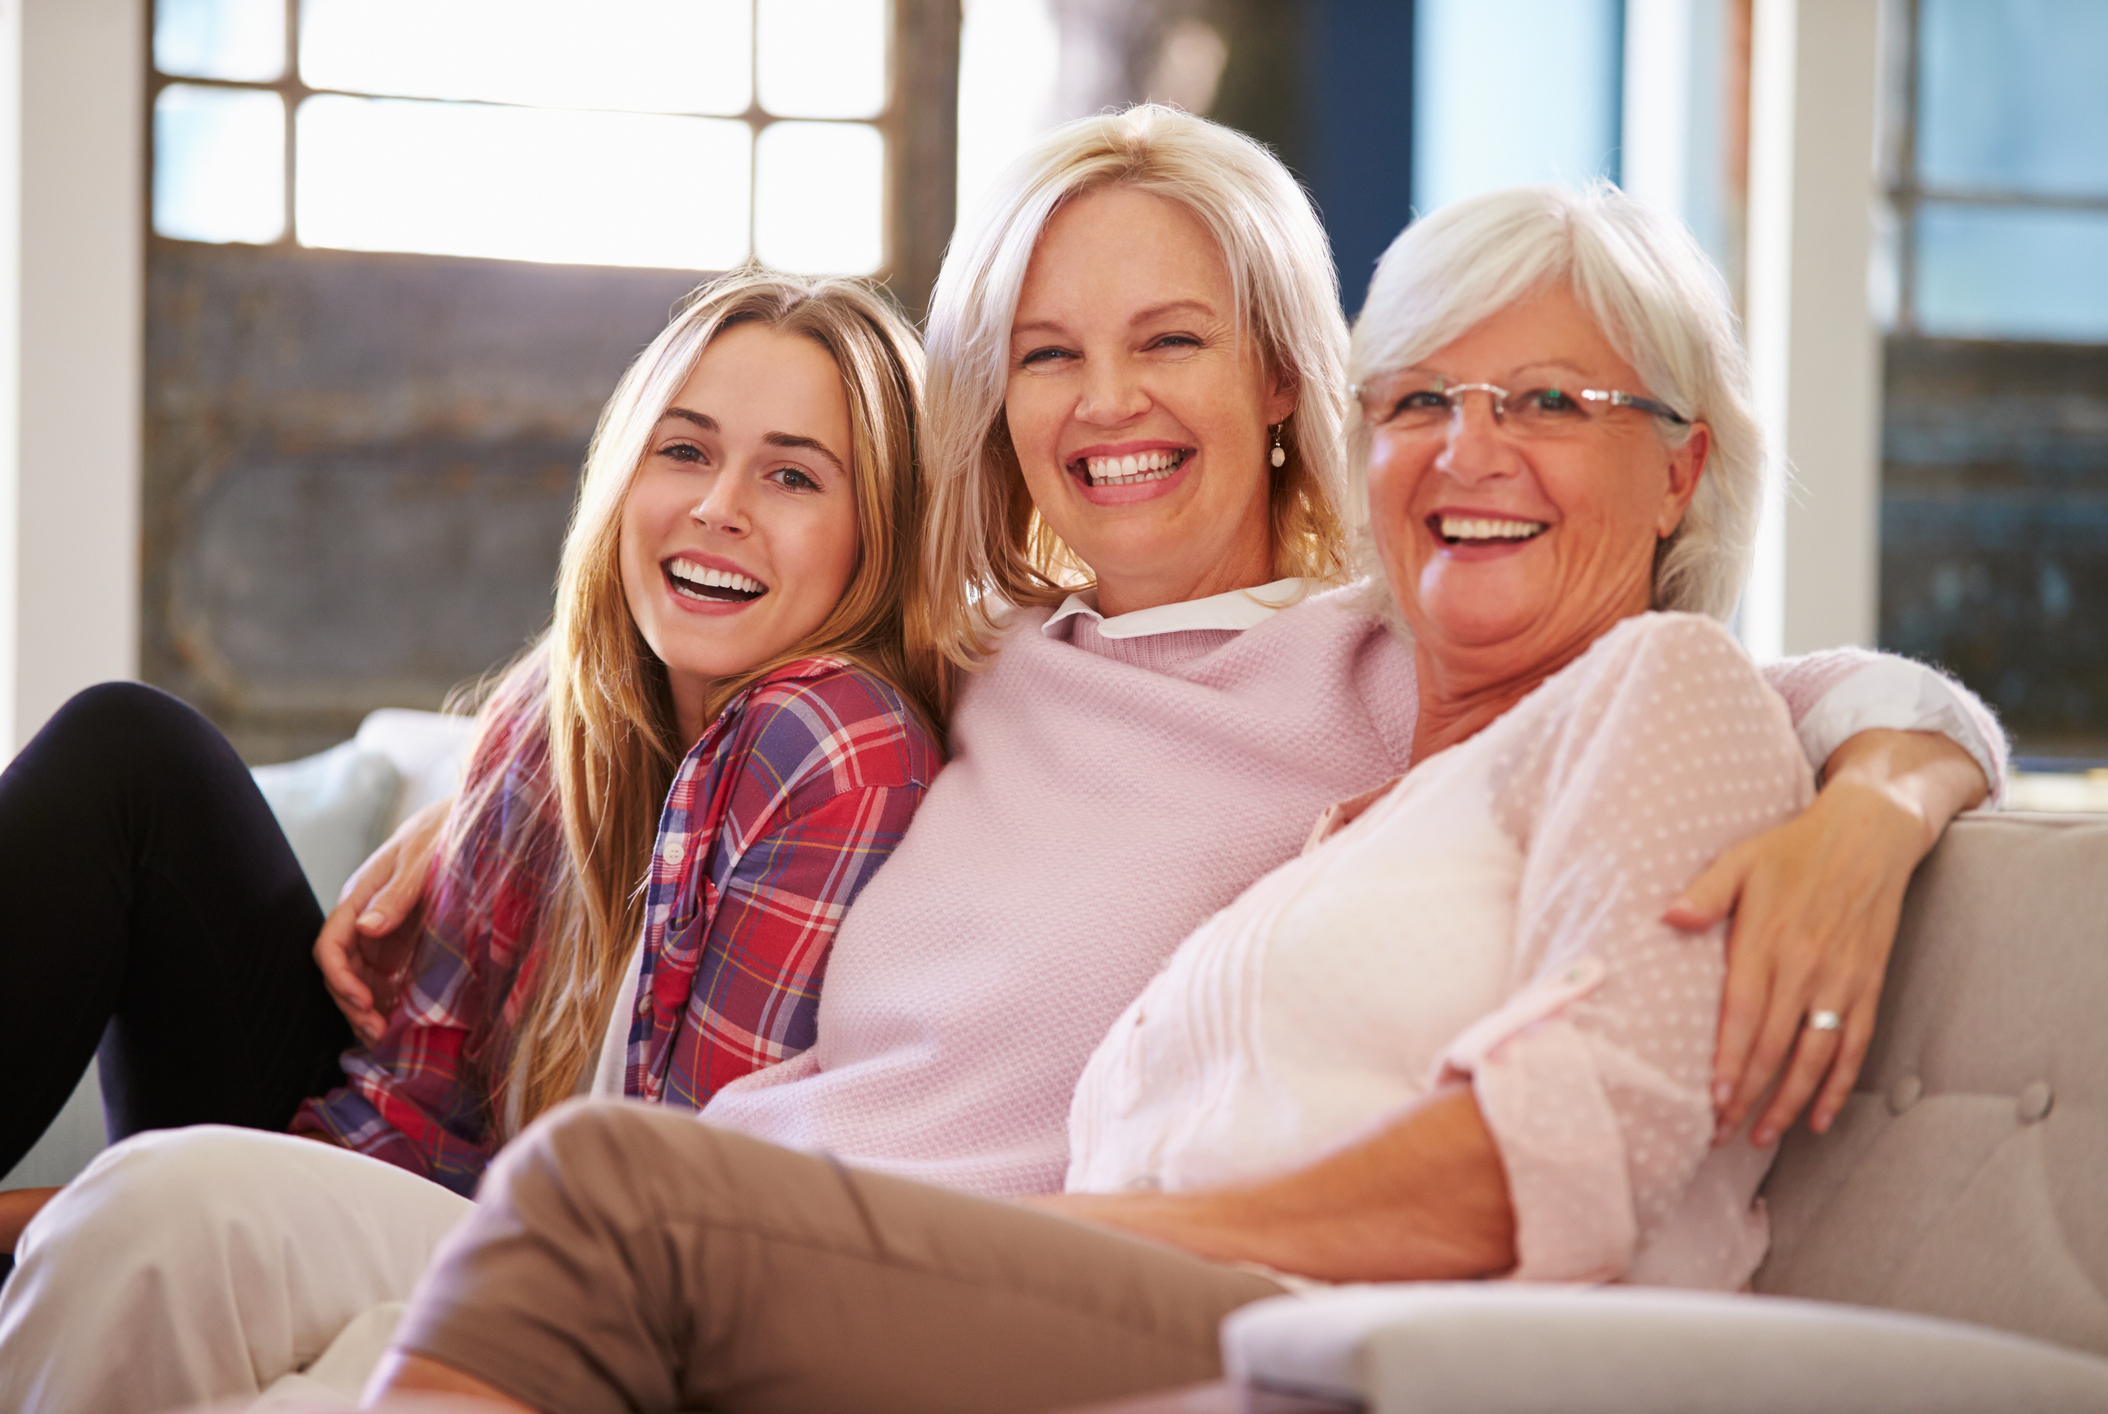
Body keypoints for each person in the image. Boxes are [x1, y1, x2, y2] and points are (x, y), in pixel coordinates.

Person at [0, 110, 1998, 1412]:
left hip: (885, 1277)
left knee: (173, 1225)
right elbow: (693, 621)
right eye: (1047, 351)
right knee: (149, 1208)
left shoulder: (1391, 653)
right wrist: (476, 771)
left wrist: (1884, 791)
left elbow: (1718, 673)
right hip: (652, 1204)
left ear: (1288, 388)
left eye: (1168, 343)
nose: (1104, 402)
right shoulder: (972, 654)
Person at [0, 272, 938, 1245]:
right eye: (685, 449)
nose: (717, 505)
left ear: (880, 528)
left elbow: (679, 1217)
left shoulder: (835, 743)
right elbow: (410, 1114)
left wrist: (77, 1214)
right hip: (416, 1185)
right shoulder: (563, 710)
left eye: (793, 475)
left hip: (531, 1257)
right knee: (134, 754)